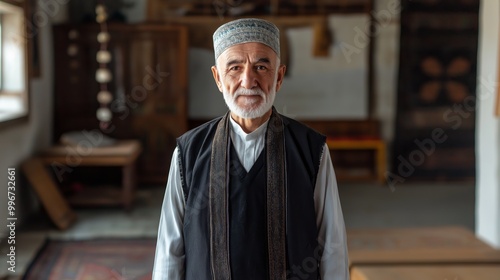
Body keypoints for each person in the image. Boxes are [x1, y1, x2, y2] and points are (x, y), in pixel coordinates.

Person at [152, 18, 349, 280]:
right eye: (234, 67)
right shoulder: (189, 152)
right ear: (218, 78)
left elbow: (332, 246)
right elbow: (170, 250)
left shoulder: (311, 151)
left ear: (278, 77)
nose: (248, 80)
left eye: (261, 66)